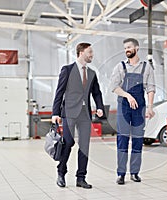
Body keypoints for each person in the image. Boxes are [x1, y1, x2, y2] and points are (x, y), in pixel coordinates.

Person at [51, 42, 104, 189]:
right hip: (69, 112)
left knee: (85, 146)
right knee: (68, 142)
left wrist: (99, 107)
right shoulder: (67, 70)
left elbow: (97, 93)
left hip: (85, 114)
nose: (92, 55)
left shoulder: (92, 73)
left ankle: (81, 178)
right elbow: (59, 92)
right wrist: (55, 112)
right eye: (90, 52)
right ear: (81, 52)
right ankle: (61, 172)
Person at [110, 38, 155, 185]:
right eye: (125, 48)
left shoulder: (146, 67)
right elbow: (114, 87)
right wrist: (127, 95)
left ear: (136, 48)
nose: (126, 50)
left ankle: (134, 172)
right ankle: (121, 174)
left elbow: (150, 88)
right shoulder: (120, 67)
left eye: (129, 47)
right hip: (124, 107)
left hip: (140, 108)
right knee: (122, 140)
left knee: (137, 140)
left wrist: (149, 107)